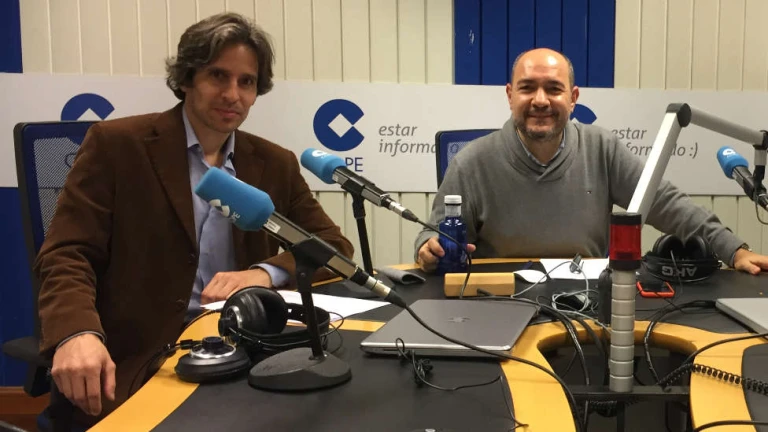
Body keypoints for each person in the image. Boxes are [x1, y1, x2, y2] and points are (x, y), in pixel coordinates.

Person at [35, 12, 353, 427]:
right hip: (140, 359)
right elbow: (67, 254)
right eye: (218, 76)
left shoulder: (274, 163)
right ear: (187, 78)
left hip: (243, 351)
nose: (232, 94)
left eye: (246, 82)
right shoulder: (118, 147)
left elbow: (334, 249)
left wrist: (264, 273)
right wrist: (76, 333)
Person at [415, 48, 768, 275]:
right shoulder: (470, 163)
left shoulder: (602, 148)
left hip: (585, 304)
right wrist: (428, 250)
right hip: (498, 303)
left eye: (554, 89)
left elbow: (665, 202)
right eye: (527, 88)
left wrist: (733, 250)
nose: (541, 100)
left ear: (573, 98)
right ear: (510, 95)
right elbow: (430, 237)